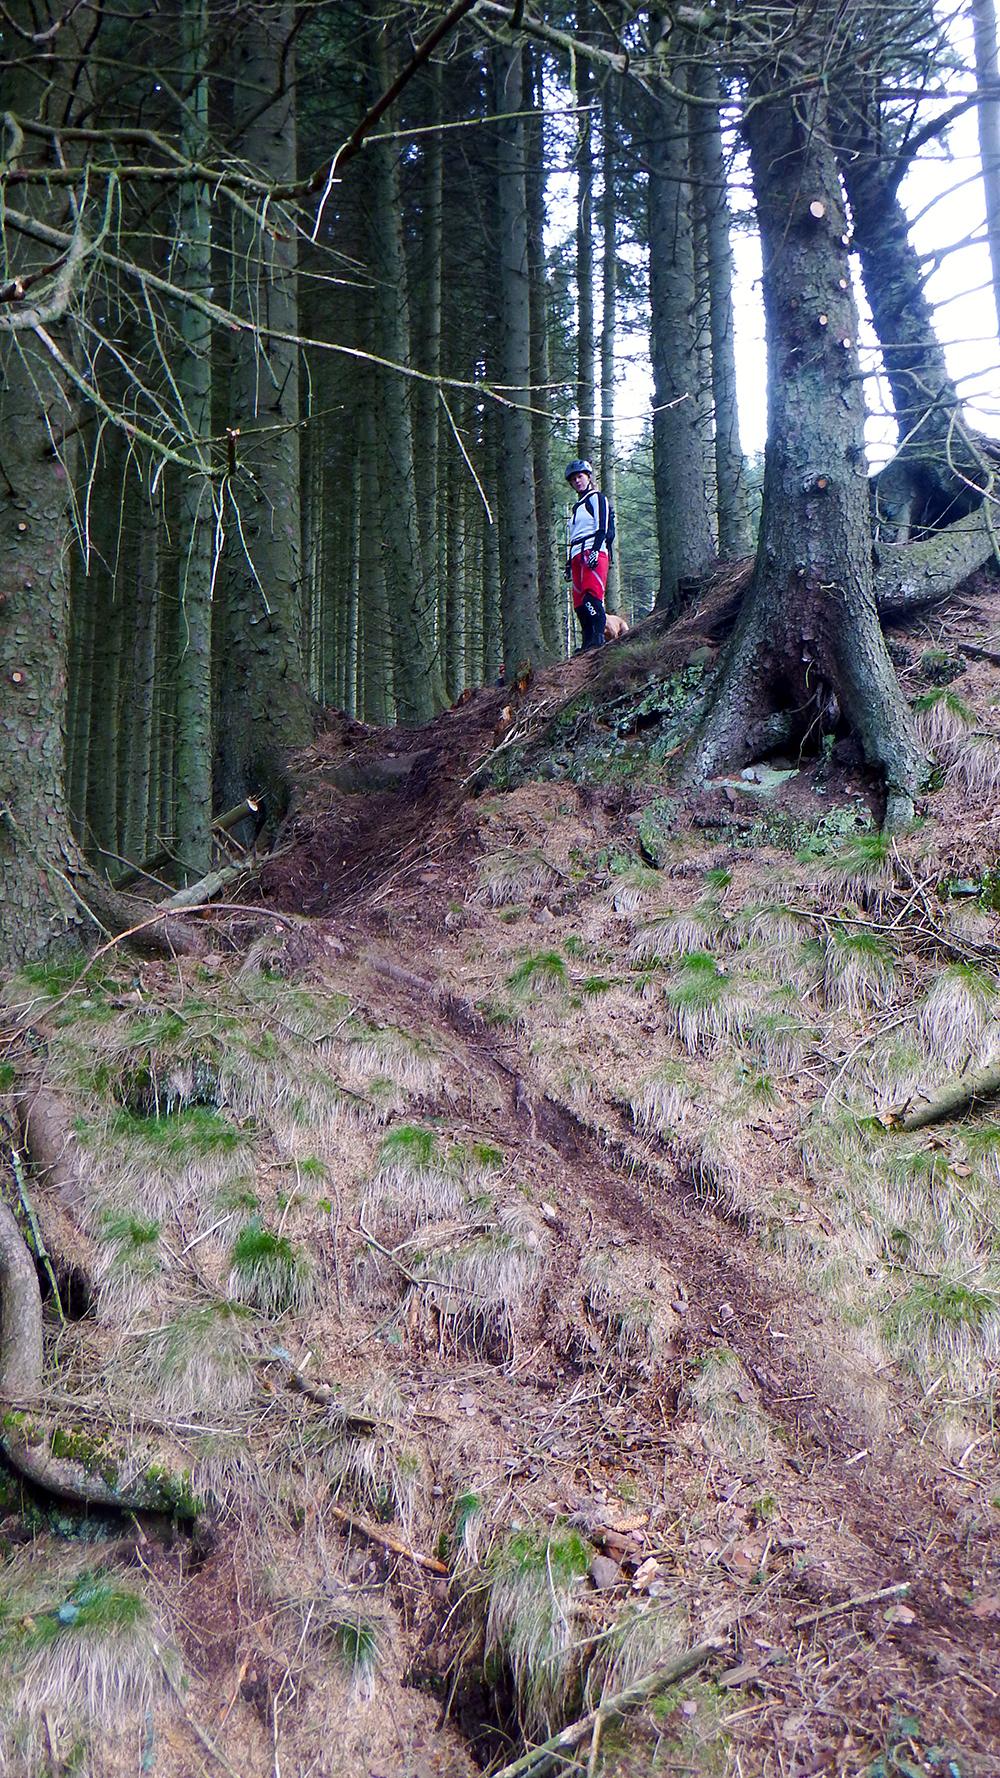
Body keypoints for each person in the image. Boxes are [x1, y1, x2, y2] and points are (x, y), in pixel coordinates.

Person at [564, 459, 615, 652]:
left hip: (592, 551)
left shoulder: (597, 498)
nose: (577, 481)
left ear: (588, 477)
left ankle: (598, 637)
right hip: (577, 554)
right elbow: (574, 536)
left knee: (591, 597)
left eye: (580, 477)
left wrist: (595, 550)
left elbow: (602, 527)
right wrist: (569, 563)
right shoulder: (576, 507)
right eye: (573, 479)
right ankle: (587, 642)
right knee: (579, 604)